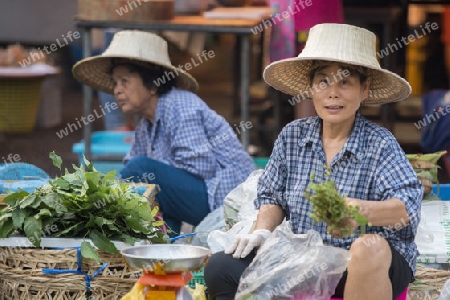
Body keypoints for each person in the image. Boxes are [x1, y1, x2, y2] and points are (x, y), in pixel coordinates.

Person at [204, 23, 422, 300]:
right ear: (311, 88)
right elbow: (272, 196)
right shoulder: (293, 136)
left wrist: (358, 210)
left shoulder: (380, 144)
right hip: (309, 259)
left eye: (345, 82)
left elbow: (406, 210)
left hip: (368, 264)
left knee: (369, 246)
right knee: (221, 267)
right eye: (323, 81)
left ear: (364, 90)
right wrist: (260, 232)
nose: (333, 93)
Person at [72, 30, 256, 237]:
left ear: (151, 85)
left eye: (124, 81)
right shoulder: (145, 125)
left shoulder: (180, 106)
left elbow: (201, 168)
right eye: (115, 83)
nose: (117, 90)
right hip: (201, 196)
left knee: (141, 170)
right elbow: (129, 175)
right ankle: (163, 247)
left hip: (228, 200)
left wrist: (148, 183)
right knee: (145, 186)